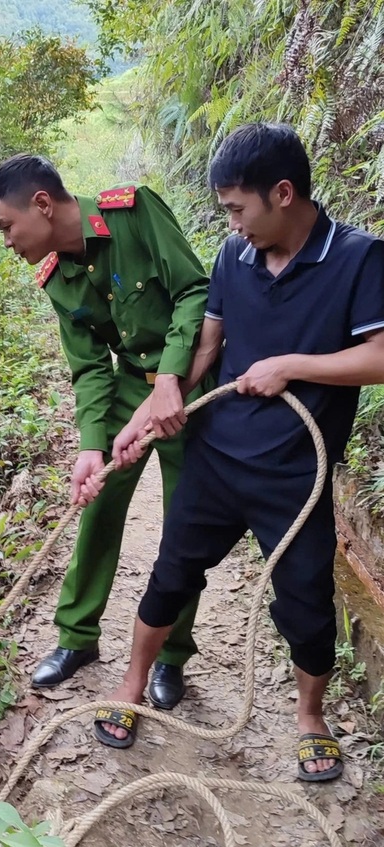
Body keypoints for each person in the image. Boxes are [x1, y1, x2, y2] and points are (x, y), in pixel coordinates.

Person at [93, 123, 384, 781]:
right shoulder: (233, 257)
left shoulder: (360, 259)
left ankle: (311, 717)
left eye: (236, 207)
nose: (232, 222)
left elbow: (379, 354)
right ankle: (132, 684)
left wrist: (289, 365)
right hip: (218, 457)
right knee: (172, 572)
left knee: (306, 604)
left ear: (283, 193)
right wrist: (153, 407)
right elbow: (206, 347)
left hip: (295, 474)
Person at [0, 155, 210, 707]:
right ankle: (78, 637)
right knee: (97, 501)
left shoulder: (132, 212)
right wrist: (91, 446)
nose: (7, 241)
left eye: (6, 227)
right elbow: (89, 366)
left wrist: (172, 378)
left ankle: (173, 655)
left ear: (42, 204)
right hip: (133, 386)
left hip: (193, 384)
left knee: (186, 525)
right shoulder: (55, 276)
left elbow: (194, 291)